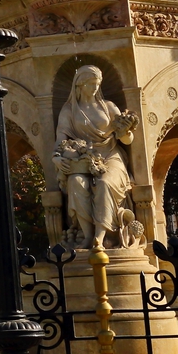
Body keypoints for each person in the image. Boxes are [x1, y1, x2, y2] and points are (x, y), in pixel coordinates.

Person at [53, 65, 139, 251]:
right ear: (80, 85)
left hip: (110, 155)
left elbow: (127, 139)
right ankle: (87, 236)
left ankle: (99, 238)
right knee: (75, 182)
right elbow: (60, 140)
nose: (95, 88)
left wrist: (126, 131)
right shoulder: (69, 111)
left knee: (104, 183)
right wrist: (56, 158)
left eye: (97, 84)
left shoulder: (109, 107)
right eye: (91, 84)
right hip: (84, 160)